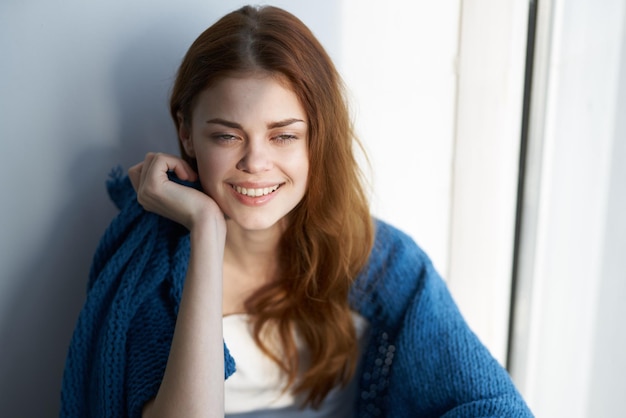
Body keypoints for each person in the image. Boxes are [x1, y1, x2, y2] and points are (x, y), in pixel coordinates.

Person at [60, 4, 533, 418]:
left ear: (316, 139)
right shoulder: (148, 273)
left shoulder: (383, 263)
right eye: (227, 135)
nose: (255, 163)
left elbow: (492, 403)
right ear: (186, 132)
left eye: (283, 135)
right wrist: (206, 229)